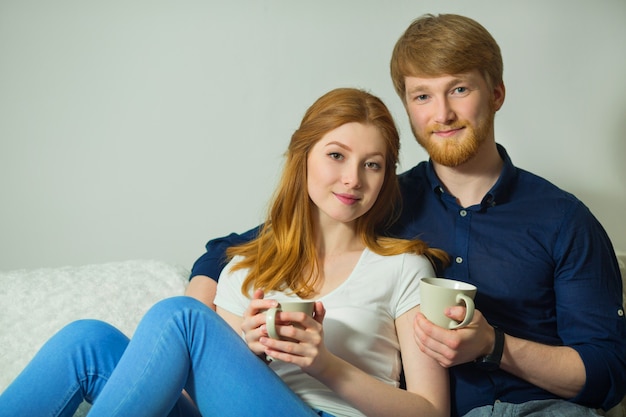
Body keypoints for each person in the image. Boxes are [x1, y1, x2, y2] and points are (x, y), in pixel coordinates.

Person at [188, 13, 626, 417]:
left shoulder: (563, 220)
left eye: (459, 89)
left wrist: (494, 346)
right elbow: (233, 252)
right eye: (422, 95)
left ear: (496, 94)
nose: (442, 114)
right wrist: (210, 338)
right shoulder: (379, 196)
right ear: (408, 107)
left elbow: (607, 374)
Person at [0, 88, 450, 417]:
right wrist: (248, 353)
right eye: (336, 155)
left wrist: (325, 365)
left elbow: (431, 411)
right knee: (86, 340)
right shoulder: (247, 267)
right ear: (304, 157)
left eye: (372, 165)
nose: (353, 178)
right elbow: (189, 401)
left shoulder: (404, 267)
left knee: (182, 315)